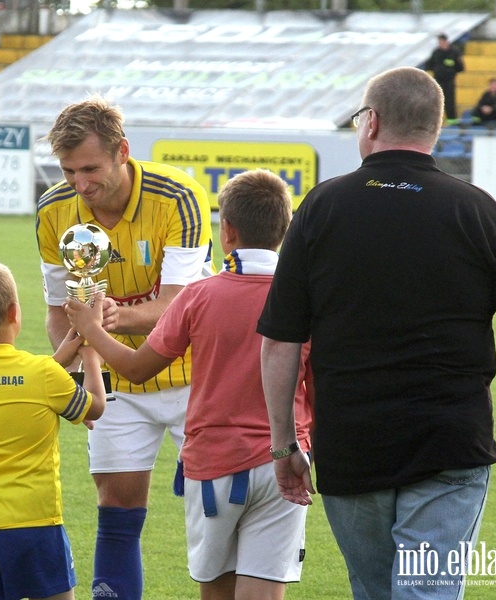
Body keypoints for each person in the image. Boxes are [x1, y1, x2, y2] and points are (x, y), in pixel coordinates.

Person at [258, 65, 496, 600]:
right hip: (449, 442)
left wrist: (284, 446)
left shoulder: (321, 206)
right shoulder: (477, 209)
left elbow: (281, 340)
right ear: (436, 127)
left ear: (370, 123)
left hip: (353, 445)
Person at [64, 169, 313, 600]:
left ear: (227, 230)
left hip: (214, 465)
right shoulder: (308, 296)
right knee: (266, 590)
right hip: (285, 459)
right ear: (285, 228)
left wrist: (94, 328)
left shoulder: (199, 295)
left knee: (216, 590)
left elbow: (139, 369)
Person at [36, 96, 213, 599]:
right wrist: (77, 374)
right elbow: (57, 311)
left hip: (194, 375)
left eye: (91, 168)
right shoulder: (53, 211)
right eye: (69, 171)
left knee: (215, 508)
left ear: (122, 152)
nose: (81, 184)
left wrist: (108, 320)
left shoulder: (178, 195)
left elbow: (181, 303)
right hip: (115, 381)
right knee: (116, 506)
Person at [0, 259, 107, 600]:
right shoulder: (41, 376)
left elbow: (14, 382)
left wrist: (60, 357)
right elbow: (94, 406)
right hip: (33, 522)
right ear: (15, 312)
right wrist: (92, 349)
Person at [424, 33, 464, 121]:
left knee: (450, 101)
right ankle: (435, 120)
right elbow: (429, 65)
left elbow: (460, 67)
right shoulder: (436, 52)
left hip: (449, 80)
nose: (440, 44)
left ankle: (452, 120)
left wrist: (451, 71)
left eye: (441, 42)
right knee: (437, 101)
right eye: (439, 42)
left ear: (446, 41)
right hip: (438, 80)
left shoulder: (454, 52)